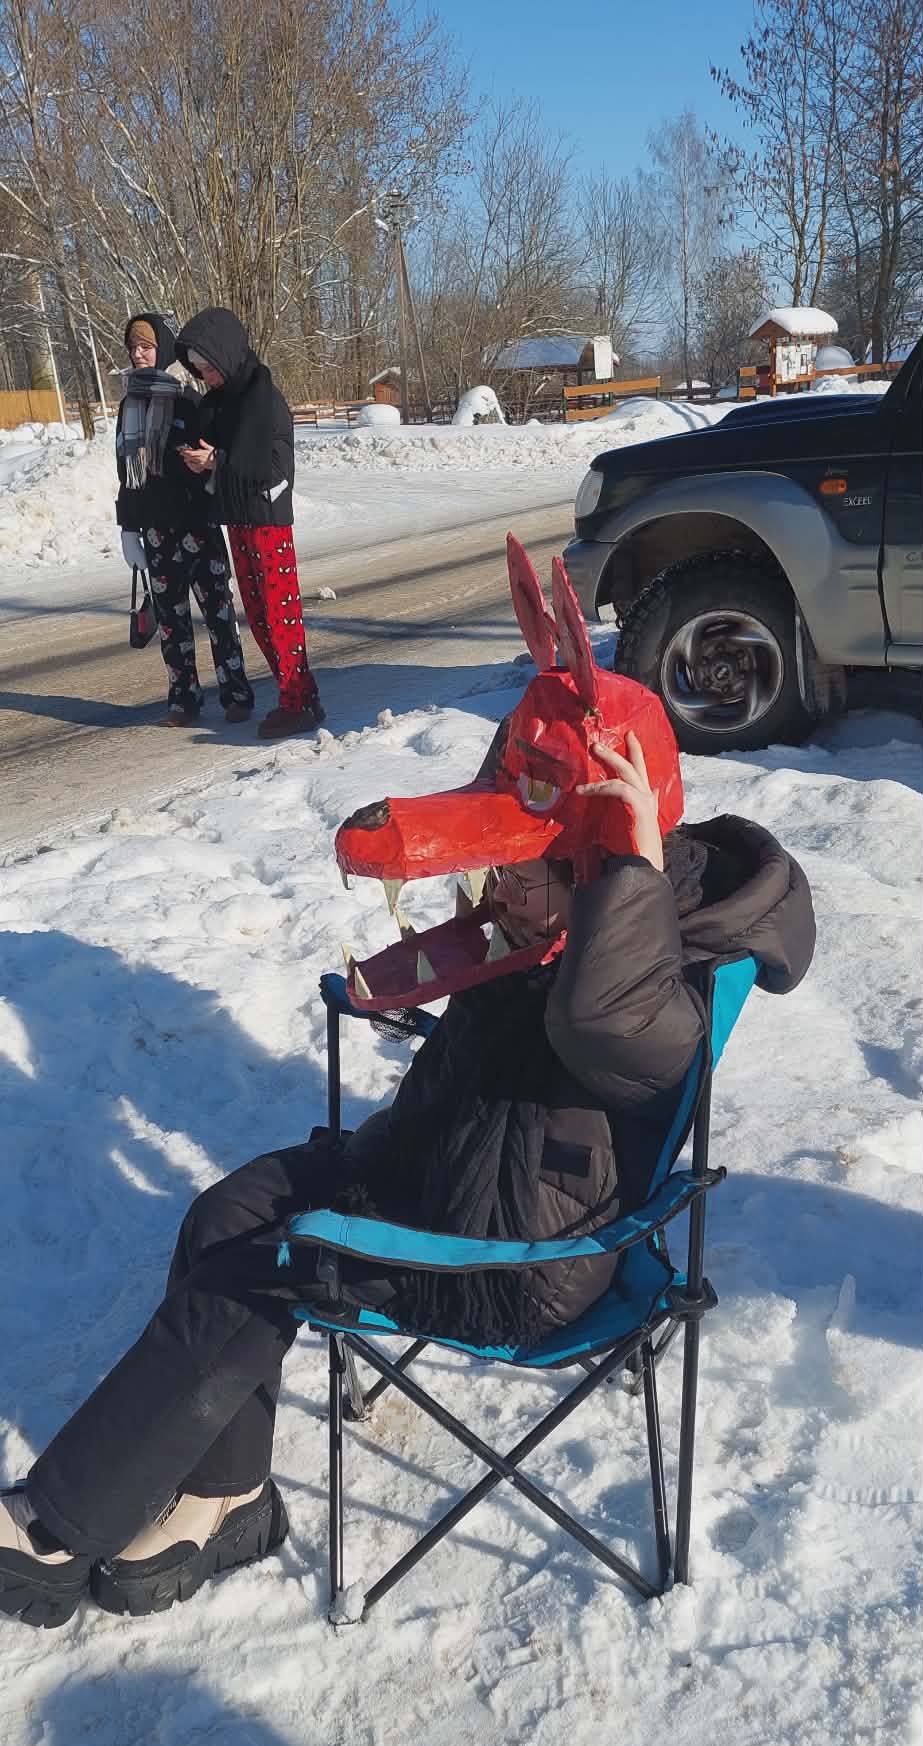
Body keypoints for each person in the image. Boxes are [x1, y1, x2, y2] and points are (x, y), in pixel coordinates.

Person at [0, 735, 814, 1631]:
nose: (498, 894)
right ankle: (228, 1499)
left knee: (252, 1275)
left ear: (596, 881)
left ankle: (55, 1526)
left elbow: (600, 1019)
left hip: (511, 1263)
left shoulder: (650, 991)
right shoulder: (550, 928)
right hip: (425, 1177)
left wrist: (627, 869)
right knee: (224, 1215)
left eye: (520, 877)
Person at [173, 308, 324, 742]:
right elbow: (222, 450)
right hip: (238, 518)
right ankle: (297, 697)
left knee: (280, 616)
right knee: (258, 616)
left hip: (267, 521)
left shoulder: (263, 398)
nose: (207, 378)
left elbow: (271, 467)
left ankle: (299, 702)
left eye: (210, 368)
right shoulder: (224, 401)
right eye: (199, 371)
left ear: (226, 355)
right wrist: (204, 459)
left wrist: (217, 461)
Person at [116, 312, 254, 729]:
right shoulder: (129, 405)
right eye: (133, 347)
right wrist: (128, 528)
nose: (138, 354)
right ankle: (184, 700)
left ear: (162, 348)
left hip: (198, 524)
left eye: (146, 346)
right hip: (157, 530)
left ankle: (236, 694)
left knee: (218, 615)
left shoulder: (189, 399)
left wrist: (205, 469)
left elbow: (215, 458)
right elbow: (127, 475)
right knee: (172, 623)